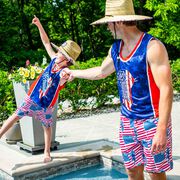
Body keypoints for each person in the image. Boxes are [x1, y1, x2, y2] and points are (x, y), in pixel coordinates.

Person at [65, 0, 173, 179]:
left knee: (155, 174)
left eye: (108, 23)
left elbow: (166, 89)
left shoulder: (152, 47)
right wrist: (73, 73)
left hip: (152, 121)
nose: (107, 27)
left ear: (119, 22)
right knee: (132, 171)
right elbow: (101, 72)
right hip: (127, 122)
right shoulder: (116, 49)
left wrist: (161, 129)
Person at [0, 16, 81, 163]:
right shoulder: (53, 60)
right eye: (59, 51)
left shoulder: (63, 72)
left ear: (67, 60)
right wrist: (39, 25)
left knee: (47, 127)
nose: (58, 53)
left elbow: (67, 76)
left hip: (46, 106)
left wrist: (69, 77)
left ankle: (46, 152)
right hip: (32, 98)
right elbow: (45, 41)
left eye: (62, 53)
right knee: (15, 116)